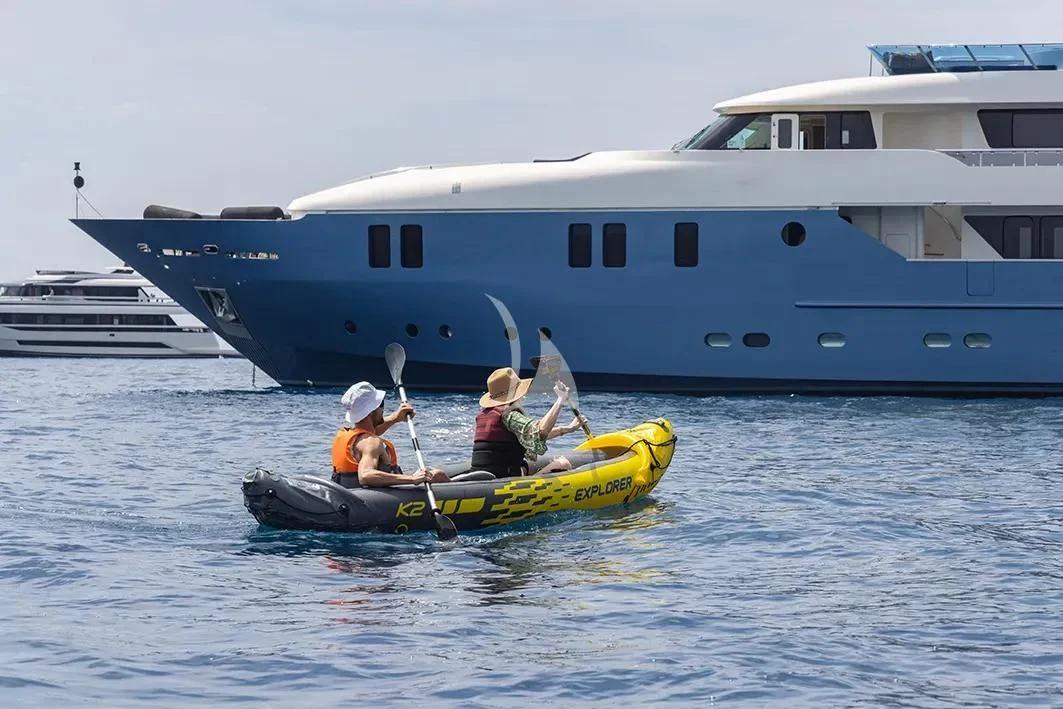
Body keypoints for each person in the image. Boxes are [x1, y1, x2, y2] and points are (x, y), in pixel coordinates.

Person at [472, 367, 588, 478]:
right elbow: (540, 431)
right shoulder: (509, 416)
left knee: (527, 466)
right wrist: (560, 400)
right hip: (504, 478)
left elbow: (531, 434)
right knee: (563, 464)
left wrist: (568, 428)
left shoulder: (484, 415)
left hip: (486, 473)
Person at [331, 381, 449, 488]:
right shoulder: (371, 442)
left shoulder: (355, 437)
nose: (383, 408)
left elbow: (372, 432)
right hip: (378, 499)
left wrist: (395, 418)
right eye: (381, 404)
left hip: (350, 494)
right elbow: (365, 475)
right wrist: (412, 479)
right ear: (372, 410)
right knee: (438, 475)